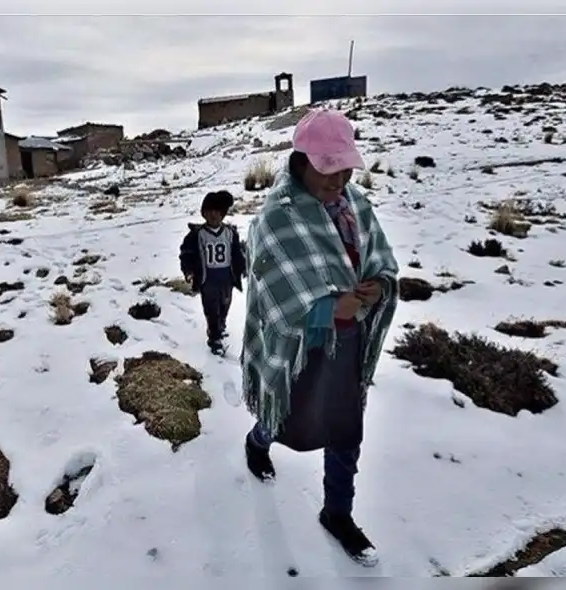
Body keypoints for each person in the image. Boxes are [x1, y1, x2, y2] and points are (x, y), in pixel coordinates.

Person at [240, 109, 399, 566]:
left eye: (345, 167)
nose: (339, 179)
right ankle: (258, 440)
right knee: (287, 413)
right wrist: (329, 308)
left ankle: (337, 513)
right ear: (301, 162)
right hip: (301, 346)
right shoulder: (277, 217)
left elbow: (380, 259)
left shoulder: (354, 205)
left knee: (346, 429)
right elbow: (274, 292)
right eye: (328, 168)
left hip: (347, 343)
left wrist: (378, 285)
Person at [179, 190, 247, 354]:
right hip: (207, 278)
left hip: (226, 277)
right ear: (203, 213)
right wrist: (188, 270)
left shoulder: (230, 233)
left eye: (217, 211)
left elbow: (237, 254)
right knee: (211, 308)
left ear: (223, 214)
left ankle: (221, 324)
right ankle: (214, 337)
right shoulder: (197, 235)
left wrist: (243, 268)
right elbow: (187, 254)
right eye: (209, 211)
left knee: (225, 305)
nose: (213, 215)